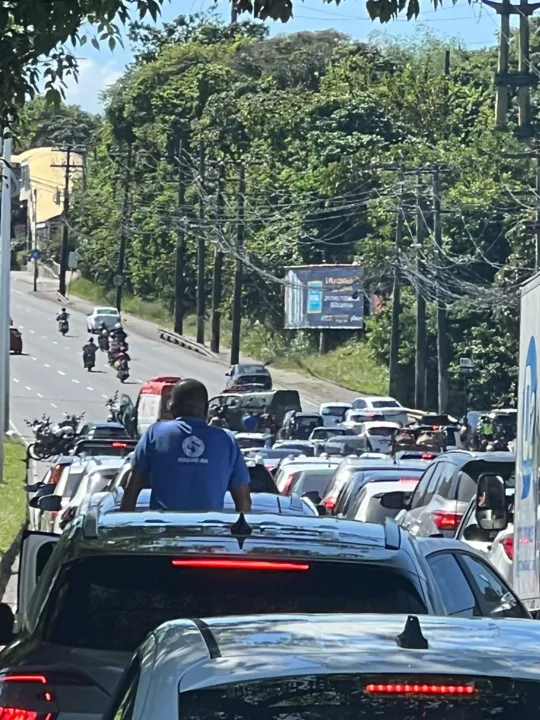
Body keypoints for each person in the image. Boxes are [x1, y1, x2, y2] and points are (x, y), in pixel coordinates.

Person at [120, 379, 252, 513]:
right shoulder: (226, 440)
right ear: (206, 410)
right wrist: (240, 531)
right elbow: (243, 498)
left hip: (163, 529)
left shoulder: (155, 433)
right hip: (209, 529)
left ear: (172, 408)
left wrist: (124, 527)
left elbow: (132, 488)